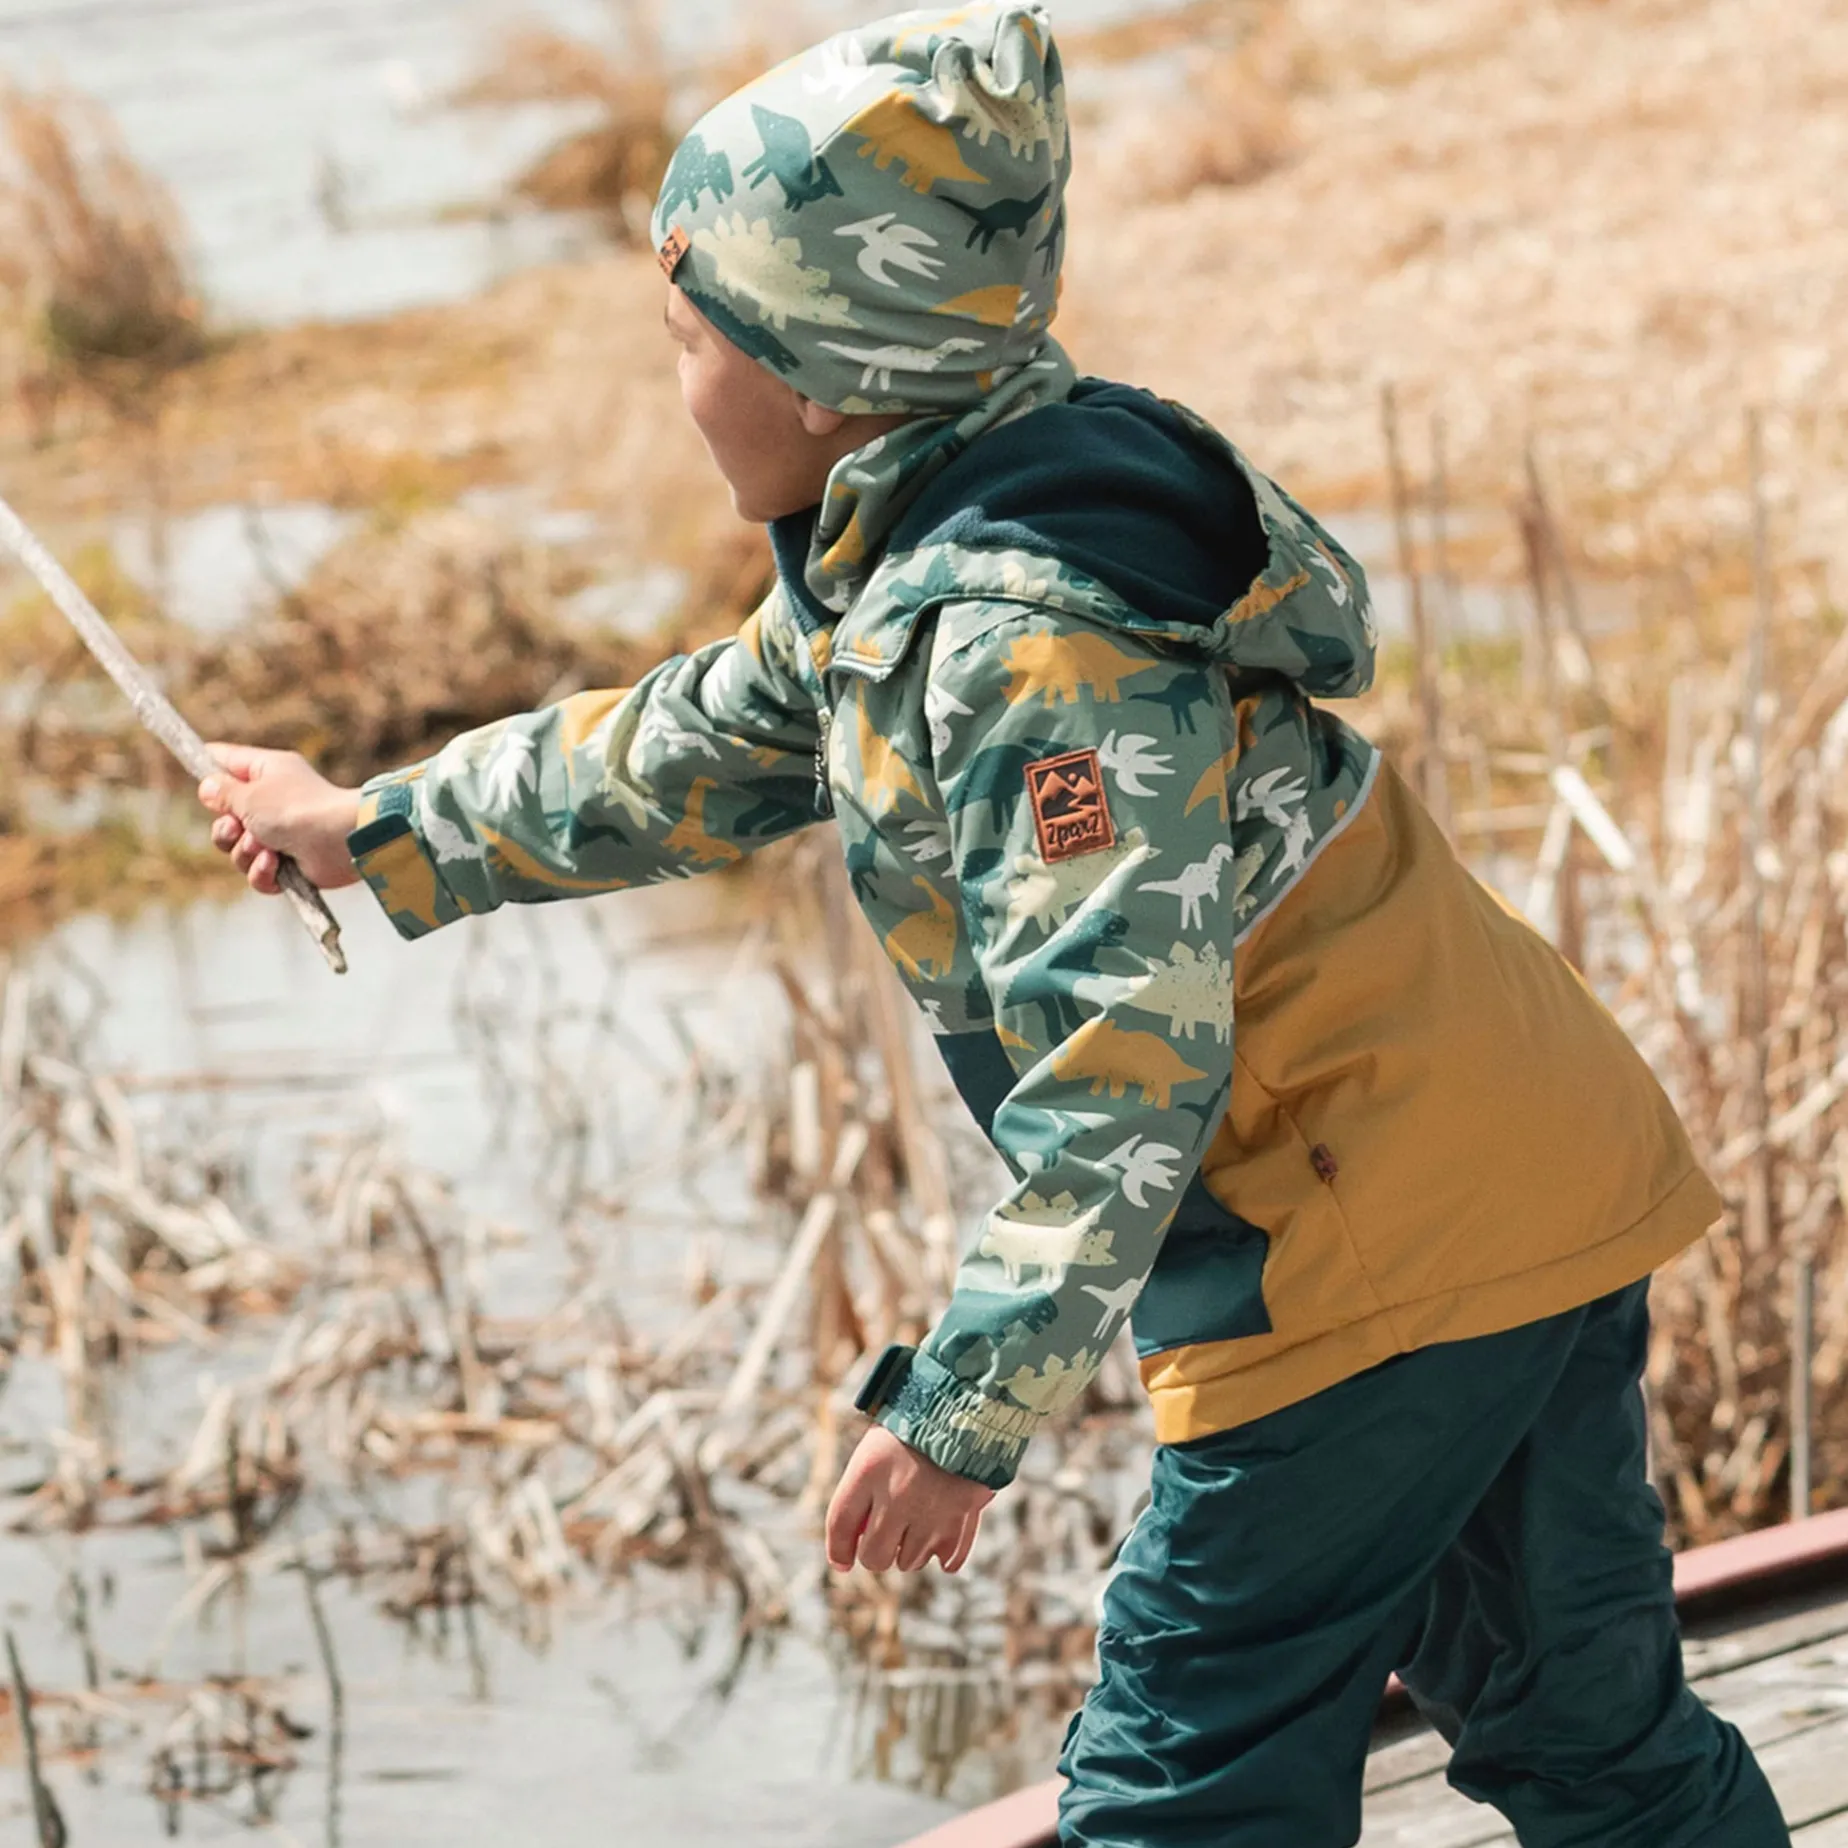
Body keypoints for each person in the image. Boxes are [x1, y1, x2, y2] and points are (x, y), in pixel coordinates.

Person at [195, 7, 1790, 1844]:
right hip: (1531, 1167)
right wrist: (375, 830)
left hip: (1374, 1235)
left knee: (1181, 1797)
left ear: (817, 371)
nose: (678, 388)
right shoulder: (966, 508)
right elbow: (691, 744)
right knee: (1587, 1732)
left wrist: (959, 1414)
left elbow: (1126, 1060)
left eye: (690, 342)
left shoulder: (1028, 650)